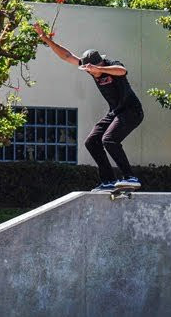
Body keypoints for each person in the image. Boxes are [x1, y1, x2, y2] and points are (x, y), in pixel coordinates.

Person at [34, 23, 144, 193]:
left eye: (93, 70)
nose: (93, 73)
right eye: (90, 71)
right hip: (115, 112)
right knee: (92, 142)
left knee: (109, 139)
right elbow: (67, 56)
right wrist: (45, 38)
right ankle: (108, 181)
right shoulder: (89, 69)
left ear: (100, 63)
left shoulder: (111, 65)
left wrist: (99, 68)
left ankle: (130, 178)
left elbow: (122, 70)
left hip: (132, 111)